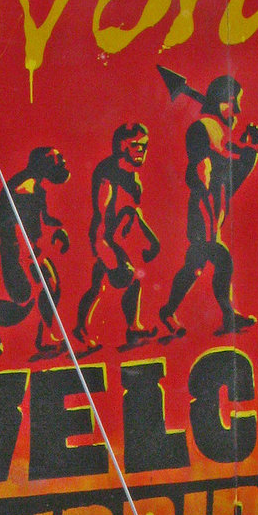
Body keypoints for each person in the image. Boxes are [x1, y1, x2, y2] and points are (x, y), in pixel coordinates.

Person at [159, 74, 258, 336]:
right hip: (203, 213)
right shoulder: (203, 128)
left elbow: (232, 180)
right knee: (223, 260)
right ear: (221, 102)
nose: (239, 110)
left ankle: (168, 311)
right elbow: (202, 171)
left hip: (214, 212)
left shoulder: (217, 131)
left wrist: (249, 153)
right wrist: (245, 150)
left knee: (195, 267)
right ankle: (229, 315)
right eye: (234, 102)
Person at [0, 146, 70, 362]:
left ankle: (44, 337)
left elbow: (43, 218)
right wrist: (27, 259)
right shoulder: (23, 188)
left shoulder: (36, 187)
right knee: (26, 300)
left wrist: (58, 231)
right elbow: (15, 226)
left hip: (29, 251)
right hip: (18, 253)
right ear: (41, 164)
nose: (60, 162)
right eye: (54, 159)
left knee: (49, 289)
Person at [73, 122, 160, 351]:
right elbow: (101, 218)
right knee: (128, 278)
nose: (141, 150)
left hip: (113, 240)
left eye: (144, 145)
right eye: (134, 145)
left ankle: (128, 327)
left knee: (99, 286)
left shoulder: (134, 178)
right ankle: (118, 328)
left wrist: (153, 240)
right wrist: (104, 248)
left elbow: (135, 211)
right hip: (103, 239)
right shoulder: (107, 175)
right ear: (122, 147)